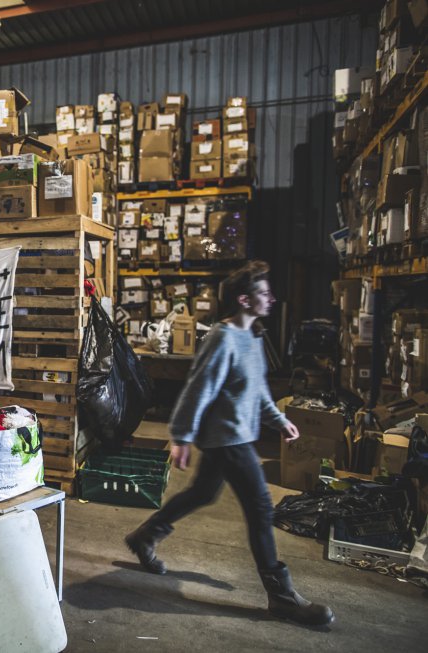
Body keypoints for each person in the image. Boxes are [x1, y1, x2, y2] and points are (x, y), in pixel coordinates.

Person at [124, 260, 334, 627]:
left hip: (236, 434)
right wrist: (182, 437)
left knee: (202, 494)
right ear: (244, 299)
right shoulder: (224, 339)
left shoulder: (252, 336)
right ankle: (282, 597)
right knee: (261, 508)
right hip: (227, 439)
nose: (272, 298)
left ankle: (144, 537)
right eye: (264, 293)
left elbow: (257, 391)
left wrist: (279, 419)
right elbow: (198, 389)